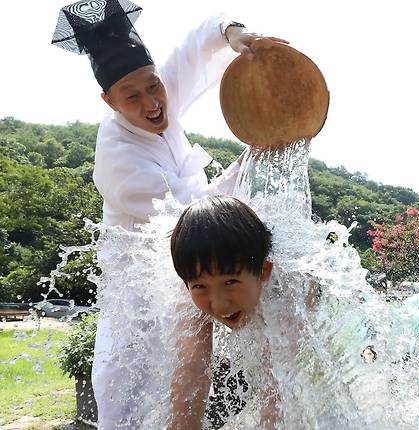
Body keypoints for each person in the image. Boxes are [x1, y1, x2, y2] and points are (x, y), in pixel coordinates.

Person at [51, 1, 286, 427]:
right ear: (109, 100)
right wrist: (250, 158)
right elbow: (193, 223)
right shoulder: (119, 160)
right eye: (133, 96)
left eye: (154, 86)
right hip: (142, 299)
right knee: (135, 404)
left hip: (191, 266)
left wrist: (236, 34)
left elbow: (201, 41)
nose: (153, 103)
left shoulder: (155, 92)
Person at [169, 195, 276, 428]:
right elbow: (191, 371)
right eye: (200, 286)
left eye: (230, 282)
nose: (218, 304)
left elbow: (278, 388)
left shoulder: (287, 289)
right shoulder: (189, 291)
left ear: (264, 271)